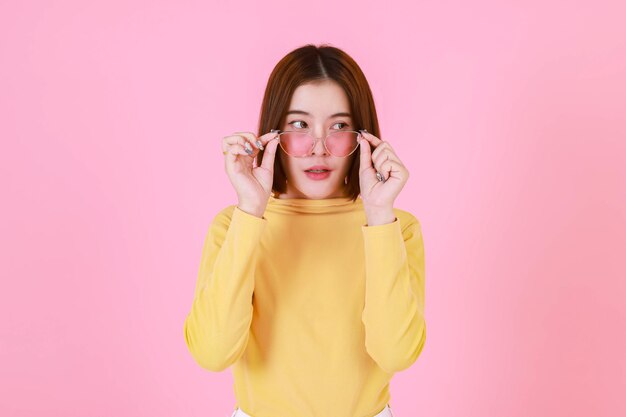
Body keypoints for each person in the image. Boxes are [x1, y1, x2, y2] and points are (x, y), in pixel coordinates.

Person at [183, 43, 426, 417]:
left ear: (364, 137)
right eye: (300, 125)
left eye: (339, 126)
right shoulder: (235, 224)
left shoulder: (395, 226)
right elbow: (213, 353)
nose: (319, 147)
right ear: (273, 133)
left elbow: (396, 352)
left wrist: (378, 215)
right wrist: (251, 209)